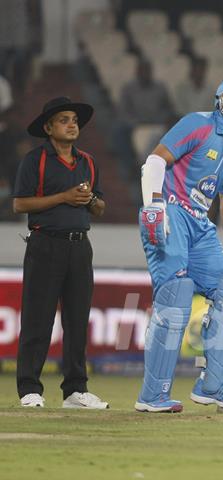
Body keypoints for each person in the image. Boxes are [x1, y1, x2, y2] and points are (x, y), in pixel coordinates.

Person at [135, 74, 223, 413]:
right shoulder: (198, 124)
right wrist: (153, 206)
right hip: (170, 213)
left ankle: (213, 386)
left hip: (199, 223)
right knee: (176, 296)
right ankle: (153, 395)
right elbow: (155, 161)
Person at [12, 96, 107, 409]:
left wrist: (89, 199)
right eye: (64, 120)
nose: (72, 125)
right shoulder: (35, 160)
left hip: (81, 246)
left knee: (78, 321)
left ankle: (75, 391)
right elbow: (20, 204)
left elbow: (100, 207)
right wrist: (63, 197)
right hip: (45, 244)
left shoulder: (88, 162)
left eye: (75, 120)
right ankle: (29, 388)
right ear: (48, 127)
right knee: (38, 320)